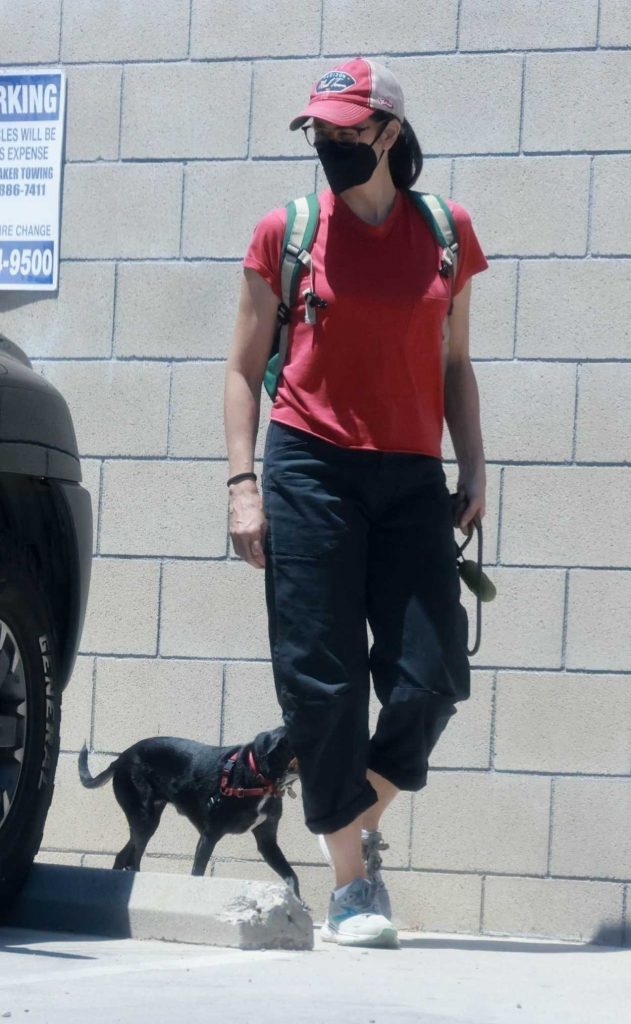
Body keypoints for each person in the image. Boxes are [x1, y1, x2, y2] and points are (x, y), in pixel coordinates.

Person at [224, 57, 488, 949]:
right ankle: (350, 885)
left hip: (411, 476)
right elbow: (239, 368)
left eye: (347, 130)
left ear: (389, 134)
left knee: (432, 673)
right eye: (321, 133)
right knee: (321, 678)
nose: (332, 145)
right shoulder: (286, 231)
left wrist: (474, 465)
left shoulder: (446, 233)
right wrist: (241, 485)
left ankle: (352, 811)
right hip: (308, 469)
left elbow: (454, 364)